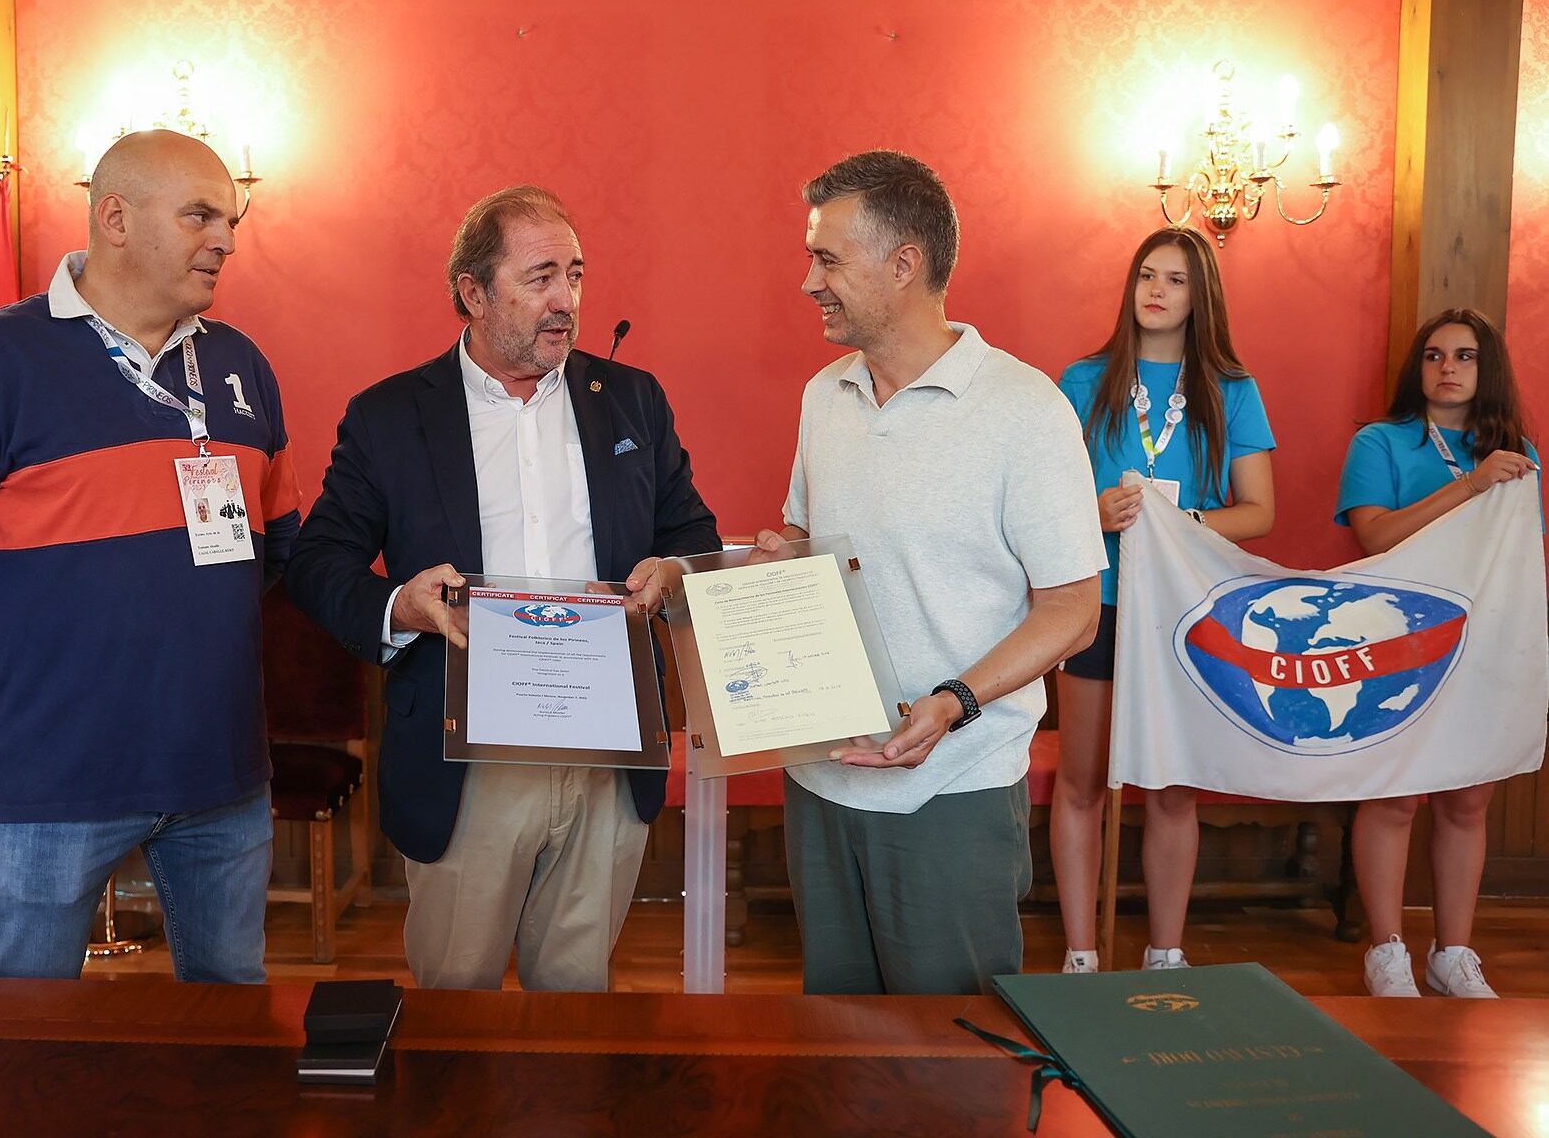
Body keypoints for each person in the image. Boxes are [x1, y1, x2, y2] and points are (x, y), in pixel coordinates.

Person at [0, 130, 299, 981]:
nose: (227, 239)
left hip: (220, 774)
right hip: (48, 779)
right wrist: (15, 659)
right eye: (200, 215)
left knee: (230, 1034)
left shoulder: (241, 365)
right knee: (23, 1046)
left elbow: (275, 549)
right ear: (115, 219)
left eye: (231, 218)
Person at [285, 186, 719, 991]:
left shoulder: (632, 401)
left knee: (577, 999)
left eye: (576, 276)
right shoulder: (389, 416)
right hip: (467, 758)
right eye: (541, 277)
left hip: (607, 753)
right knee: (456, 1001)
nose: (567, 302)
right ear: (473, 293)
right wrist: (400, 606)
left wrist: (673, 570)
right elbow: (319, 563)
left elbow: (688, 531)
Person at [756, 150, 1103, 995]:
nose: (809, 282)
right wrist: (774, 566)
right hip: (822, 778)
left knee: (952, 1061)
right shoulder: (821, 394)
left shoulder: (1026, 410)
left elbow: (1073, 611)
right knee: (835, 1047)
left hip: (952, 787)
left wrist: (953, 704)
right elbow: (810, 537)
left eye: (827, 258)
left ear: (903, 263)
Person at [1051, 228, 1276, 973]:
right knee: (1082, 781)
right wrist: (1094, 513)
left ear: (1199, 295)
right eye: (1147, 275)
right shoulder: (1083, 380)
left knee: (1174, 788)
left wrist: (1182, 525)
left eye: (1176, 280)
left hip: (1186, 609)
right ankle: (1081, 953)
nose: (1156, 290)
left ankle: (1165, 952)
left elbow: (1259, 511)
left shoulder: (1232, 391)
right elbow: (1039, 503)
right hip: (1099, 601)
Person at [1337, 307, 1540, 998]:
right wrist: (1470, 485)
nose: (1446, 368)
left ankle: (1452, 952)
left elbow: (1517, 561)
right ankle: (1387, 950)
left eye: (1463, 356)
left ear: (1488, 370)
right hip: (1396, 645)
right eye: (1432, 355)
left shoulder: (1517, 452)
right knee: (1394, 797)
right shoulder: (1380, 442)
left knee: (1467, 800)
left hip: (1481, 646)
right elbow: (1376, 538)